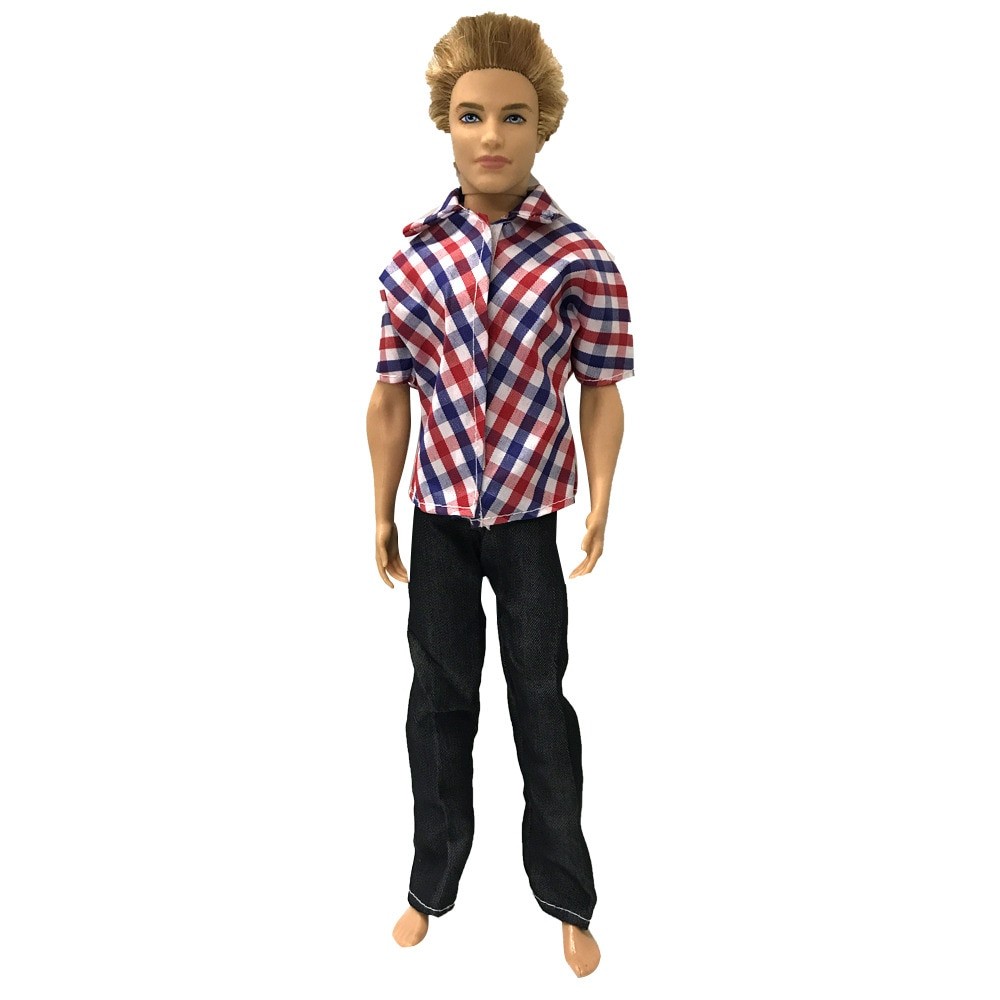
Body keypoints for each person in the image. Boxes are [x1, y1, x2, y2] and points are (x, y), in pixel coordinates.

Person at [365, 12, 634, 978]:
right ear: (445, 121)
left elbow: (600, 389)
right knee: (437, 701)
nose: (491, 136)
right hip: (439, 512)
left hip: (529, 517)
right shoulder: (415, 258)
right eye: (471, 114)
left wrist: (602, 498)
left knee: (539, 701)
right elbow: (390, 394)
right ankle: (428, 886)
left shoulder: (580, 259)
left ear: (543, 125)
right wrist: (380, 510)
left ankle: (566, 895)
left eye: (514, 116)